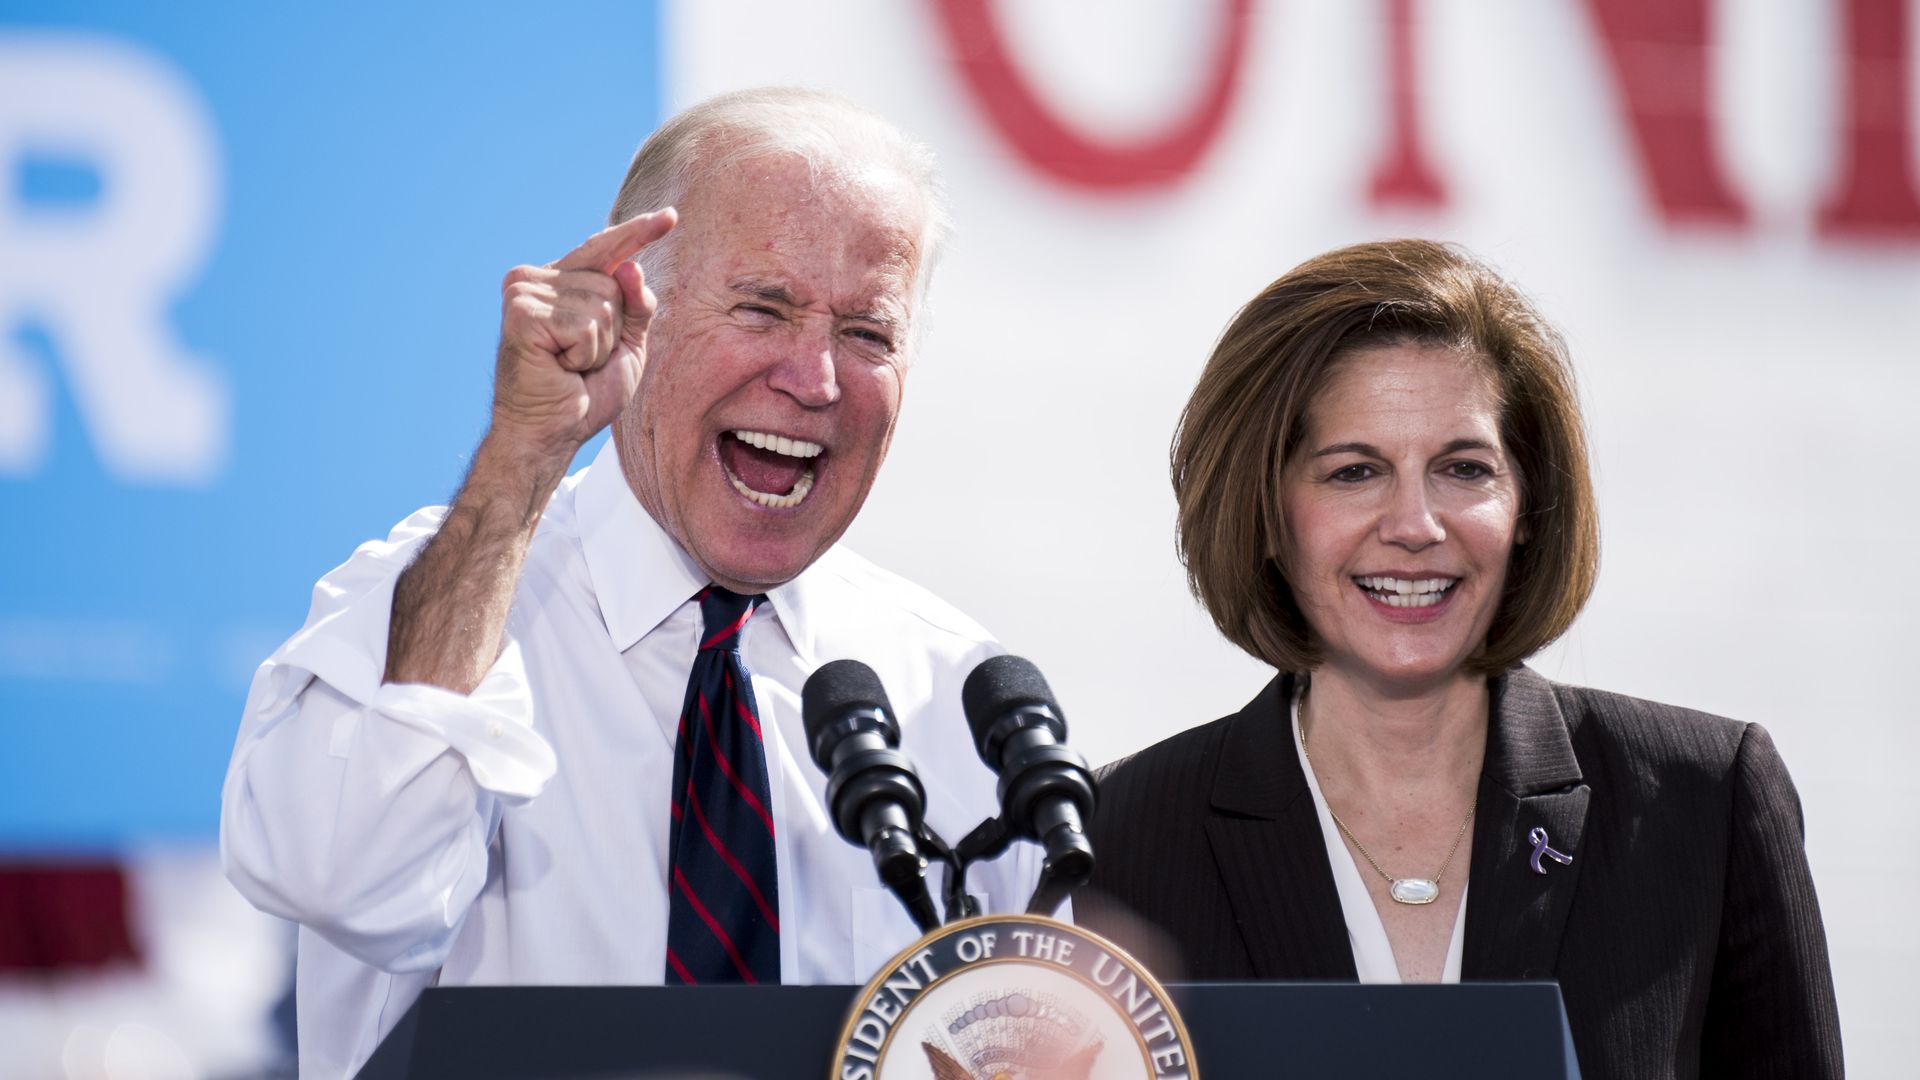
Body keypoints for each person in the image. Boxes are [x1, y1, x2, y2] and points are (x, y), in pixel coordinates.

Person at [220, 88, 1042, 1078]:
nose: (816, 378)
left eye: (868, 333)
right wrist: (522, 455)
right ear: (626, 311)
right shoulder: (426, 603)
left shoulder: (959, 697)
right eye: (763, 307)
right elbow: (338, 878)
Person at [1077, 240, 1842, 1077]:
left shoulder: (1706, 806)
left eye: (1464, 469)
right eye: (1354, 472)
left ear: (1527, 507)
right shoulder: (1114, 838)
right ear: (1264, 513)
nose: (1415, 525)